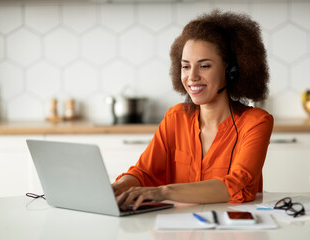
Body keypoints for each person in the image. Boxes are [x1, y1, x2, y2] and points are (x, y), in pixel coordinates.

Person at [112, 10, 274, 210]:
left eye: (204, 66)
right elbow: (144, 173)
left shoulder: (256, 122)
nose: (192, 76)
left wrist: (162, 192)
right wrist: (118, 187)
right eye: (186, 66)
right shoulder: (176, 117)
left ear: (232, 71)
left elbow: (239, 186)